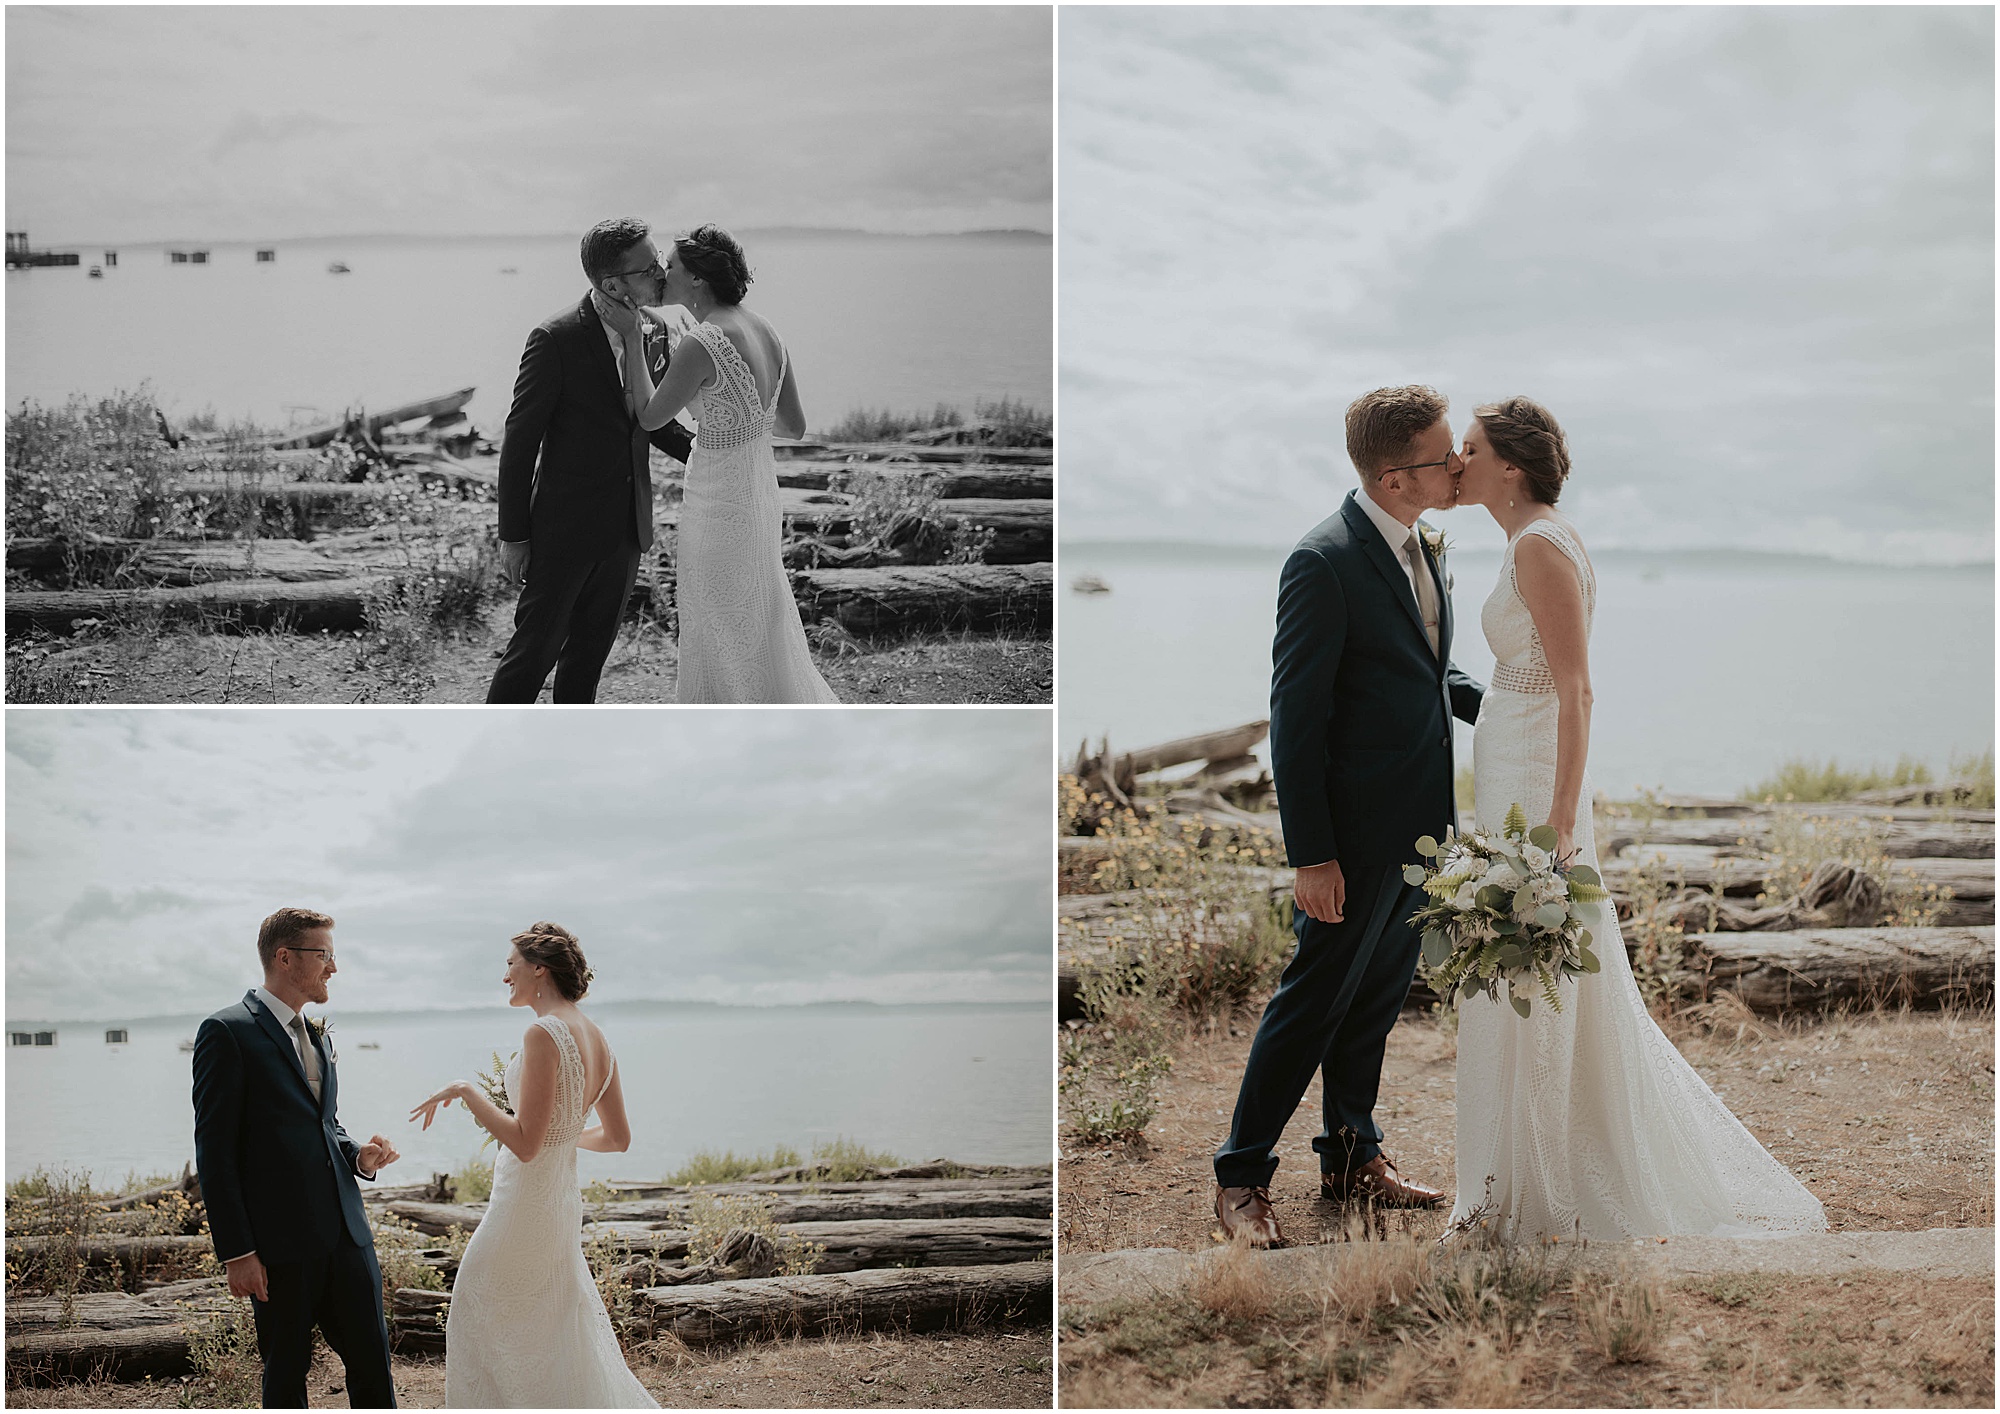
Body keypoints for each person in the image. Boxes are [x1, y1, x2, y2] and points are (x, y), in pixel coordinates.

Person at [1448, 396, 1826, 1240]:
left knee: (1543, 960)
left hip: (1536, 778)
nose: (1456, 461)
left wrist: (1559, 821)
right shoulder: (1531, 539)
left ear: (1509, 465)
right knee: (1533, 965)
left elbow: (1576, 688)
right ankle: (1520, 1168)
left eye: (1468, 449)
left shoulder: (1541, 545)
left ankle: (1546, 1183)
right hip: (1514, 759)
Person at [1213, 386, 1484, 1247]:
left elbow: (1424, 667)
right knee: (1314, 1002)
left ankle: (1352, 1155)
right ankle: (1241, 1178)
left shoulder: (1423, 545)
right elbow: (1296, 719)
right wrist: (1313, 855)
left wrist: (1506, 698)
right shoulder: (1322, 562)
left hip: (1421, 829)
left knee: (1373, 1001)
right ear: (1396, 475)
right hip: (1351, 835)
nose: (1458, 466)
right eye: (1445, 457)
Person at [411, 924, 654, 1407]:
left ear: (538, 968)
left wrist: (466, 1091)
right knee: (551, 1327)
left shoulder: (543, 1032)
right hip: (559, 1204)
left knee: (476, 1307)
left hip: (523, 1207)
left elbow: (525, 1144)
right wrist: (558, 1137)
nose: (505, 976)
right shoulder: (598, 1038)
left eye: (510, 964)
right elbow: (617, 1139)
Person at [604, 225, 838, 703]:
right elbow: (792, 426)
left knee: (718, 629)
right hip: (757, 497)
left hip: (716, 507)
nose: (661, 273)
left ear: (696, 279)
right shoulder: (767, 329)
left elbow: (649, 417)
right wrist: (733, 416)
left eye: (670, 266)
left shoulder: (703, 342)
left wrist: (631, 341)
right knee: (758, 620)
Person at [192, 907, 402, 1407]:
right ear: (285, 958)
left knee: (374, 1369)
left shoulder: (319, 1034)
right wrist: (238, 1252)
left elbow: (325, 1124)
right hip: (279, 1248)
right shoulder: (226, 1032)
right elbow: (214, 1152)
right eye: (324, 954)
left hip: (349, 1239)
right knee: (286, 1377)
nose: (334, 967)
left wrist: (359, 1157)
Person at [486, 217, 698, 704]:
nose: (662, 273)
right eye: (649, 268)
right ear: (612, 285)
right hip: (563, 530)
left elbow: (654, 421)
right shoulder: (555, 337)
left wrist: (715, 457)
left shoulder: (654, 329)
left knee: (588, 662)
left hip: (626, 529)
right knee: (532, 656)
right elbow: (520, 441)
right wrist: (514, 535)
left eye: (660, 261)